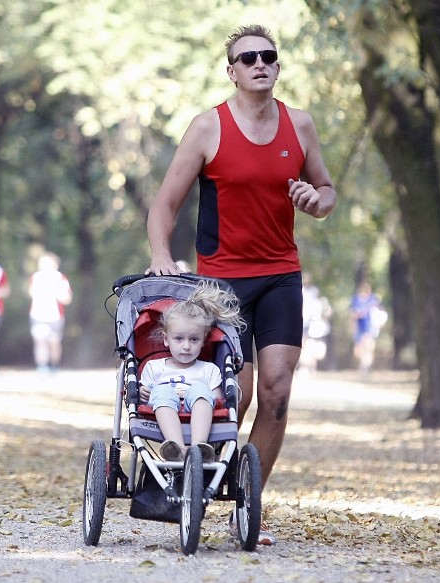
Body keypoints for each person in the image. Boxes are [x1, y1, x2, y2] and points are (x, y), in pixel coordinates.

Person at [146, 24, 336, 544]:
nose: (259, 63)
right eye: (247, 57)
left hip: (280, 275)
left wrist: (318, 201)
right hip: (221, 283)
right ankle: (199, 488)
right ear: (231, 71)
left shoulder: (300, 125)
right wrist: (162, 256)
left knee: (276, 393)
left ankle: (246, 506)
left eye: (268, 56)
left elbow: (326, 188)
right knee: (238, 394)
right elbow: (165, 204)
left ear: (277, 67)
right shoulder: (208, 128)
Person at [139, 280, 244, 463]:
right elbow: (145, 400)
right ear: (166, 339)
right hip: (163, 410)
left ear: (203, 340)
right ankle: (176, 447)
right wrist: (141, 393)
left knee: (201, 390)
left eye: (194, 340)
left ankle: (199, 446)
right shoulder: (154, 368)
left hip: (197, 409)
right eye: (179, 339)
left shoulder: (209, 369)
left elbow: (218, 399)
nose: (186, 346)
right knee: (161, 391)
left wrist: (199, 393)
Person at [28, 252, 72, 373]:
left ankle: (54, 365)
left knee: (54, 343)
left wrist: (57, 293)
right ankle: (42, 367)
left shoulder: (60, 278)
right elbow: (31, 293)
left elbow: (67, 298)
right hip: (38, 315)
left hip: (55, 316)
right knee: (40, 340)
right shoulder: (35, 277)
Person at [299, 274, 332, 376]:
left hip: (319, 329)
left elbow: (328, 312)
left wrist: (324, 315)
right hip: (305, 324)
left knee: (319, 353)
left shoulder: (320, 300)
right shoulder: (300, 291)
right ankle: (304, 368)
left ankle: (311, 366)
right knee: (306, 347)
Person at [350, 283, 386, 374]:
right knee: (359, 349)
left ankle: (365, 367)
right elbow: (352, 313)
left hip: (370, 326)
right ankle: (364, 364)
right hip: (359, 326)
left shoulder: (374, 299)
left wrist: (380, 322)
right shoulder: (355, 299)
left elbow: (380, 312)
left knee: (368, 346)